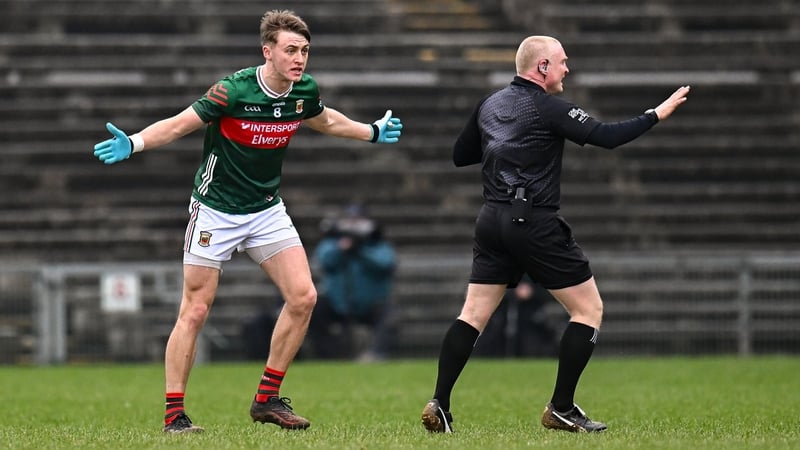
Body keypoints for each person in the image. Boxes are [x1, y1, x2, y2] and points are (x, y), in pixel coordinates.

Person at [92, 9, 402, 434]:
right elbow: (182, 124)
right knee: (196, 309)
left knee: (304, 297)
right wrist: (136, 141)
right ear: (267, 51)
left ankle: (266, 400)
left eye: (305, 50)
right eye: (291, 50)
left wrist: (371, 131)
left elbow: (325, 119)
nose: (299, 58)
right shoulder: (232, 91)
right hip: (215, 210)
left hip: (265, 210)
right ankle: (174, 416)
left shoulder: (302, 91)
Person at [420, 35, 689, 434]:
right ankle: (561, 407)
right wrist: (657, 113)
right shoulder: (548, 107)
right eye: (562, 62)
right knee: (588, 311)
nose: (567, 69)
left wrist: (506, 146)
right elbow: (607, 136)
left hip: (491, 219)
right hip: (532, 220)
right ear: (542, 67)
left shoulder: (490, 104)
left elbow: (462, 155)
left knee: (473, 314)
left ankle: (439, 402)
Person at [309, 203, 397, 361]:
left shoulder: (376, 243)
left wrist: (360, 250)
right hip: (338, 304)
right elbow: (323, 260)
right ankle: (328, 355)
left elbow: (386, 263)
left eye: (358, 221)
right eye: (350, 221)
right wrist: (341, 249)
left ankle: (375, 355)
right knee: (312, 310)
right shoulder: (333, 241)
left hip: (370, 305)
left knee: (389, 314)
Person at [472, 275, 561, 358]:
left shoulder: (535, 272)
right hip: (505, 313)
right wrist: (513, 292)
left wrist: (531, 292)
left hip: (530, 316)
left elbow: (547, 292)